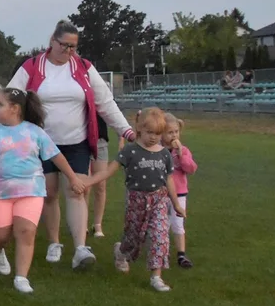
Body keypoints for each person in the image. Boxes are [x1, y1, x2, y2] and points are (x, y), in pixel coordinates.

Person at [8, 20, 136, 270]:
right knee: (50, 192)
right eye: (64, 46)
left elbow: (106, 103)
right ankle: (54, 242)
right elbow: (11, 96)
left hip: (76, 142)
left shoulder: (84, 68)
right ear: (52, 42)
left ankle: (80, 247)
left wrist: (127, 130)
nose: (68, 52)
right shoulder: (32, 66)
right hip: (42, 142)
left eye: (73, 47)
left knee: (78, 190)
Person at [0, 88, 84, 294]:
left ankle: (21, 277)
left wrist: (73, 178)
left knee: (26, 232)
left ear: (15, 109)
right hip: (0, 194)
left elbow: (56, 156)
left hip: (31, 192)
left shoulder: (35, 132)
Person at [84, 108, 186, 292]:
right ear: (139, 129)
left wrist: (176, 203)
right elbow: (108, 170)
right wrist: (89, 181)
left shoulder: (164, 154)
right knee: (133, 237)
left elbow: (169, 179)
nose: (153, 138)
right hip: (136, 201)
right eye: (149, 133)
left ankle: (156, 276)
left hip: (159, 201)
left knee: (160, 235)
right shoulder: (130, 151)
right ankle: (121, 252)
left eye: (157, 134)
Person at [164, 113, 197, 269]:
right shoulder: (159, 151)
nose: (174, 135)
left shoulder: (184, 151)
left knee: (178, 224)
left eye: (176, 131)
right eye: (170, 132)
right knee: (161, 224)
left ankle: (181, 255)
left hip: (180, 193)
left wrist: (181, 154)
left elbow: (191, 169)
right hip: (162, 193)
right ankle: (161, 252)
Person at [91, 116, 110, 237]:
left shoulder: (103, 96)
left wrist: (121, 139)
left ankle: (97, 224)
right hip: (80, 140)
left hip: (100, 140)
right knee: (83, 186)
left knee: (101, 185)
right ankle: (80, 222)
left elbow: (111, 112)